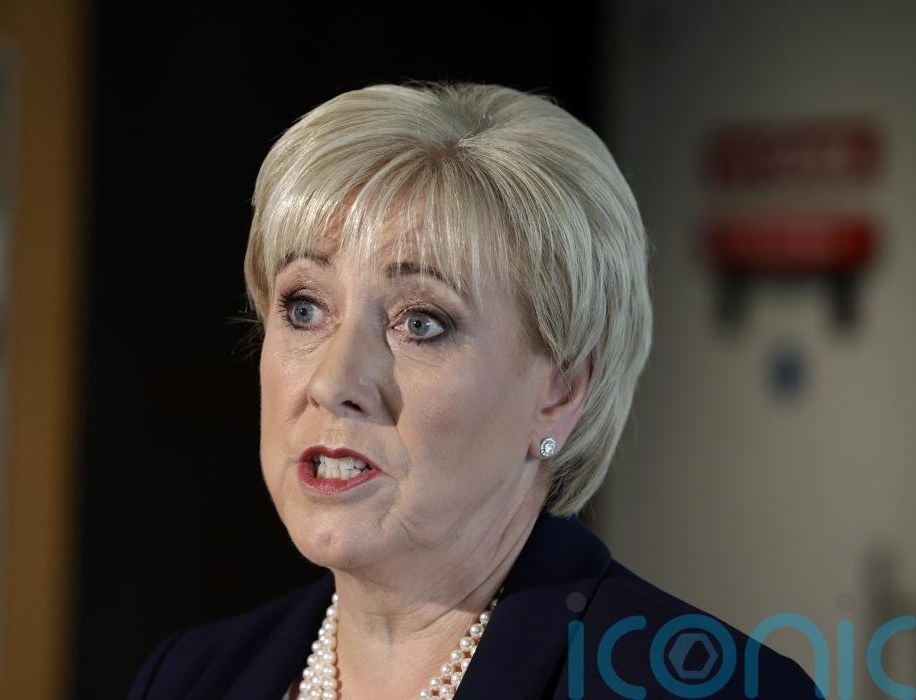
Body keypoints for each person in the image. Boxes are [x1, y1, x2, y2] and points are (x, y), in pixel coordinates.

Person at [129, 82, 818, 699]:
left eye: (420, 322)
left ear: (559, 393)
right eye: (305, 307)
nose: (333, 383)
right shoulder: (188, 677)